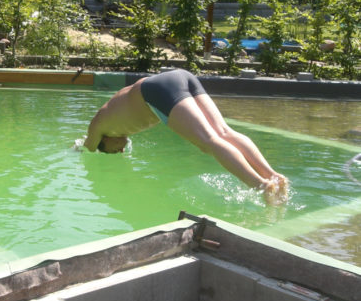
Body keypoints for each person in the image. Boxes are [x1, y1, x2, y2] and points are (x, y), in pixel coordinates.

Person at [84, 69, 288, 204]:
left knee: (209, 142)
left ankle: (262, 186)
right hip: (178, 76)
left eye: (112, 150)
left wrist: (79, 147)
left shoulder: (97, 126)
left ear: (105, 139)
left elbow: (88, 147)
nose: (120, 150)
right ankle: (273, 177)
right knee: (224, 132)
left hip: (155, 91)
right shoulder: (114, 115)